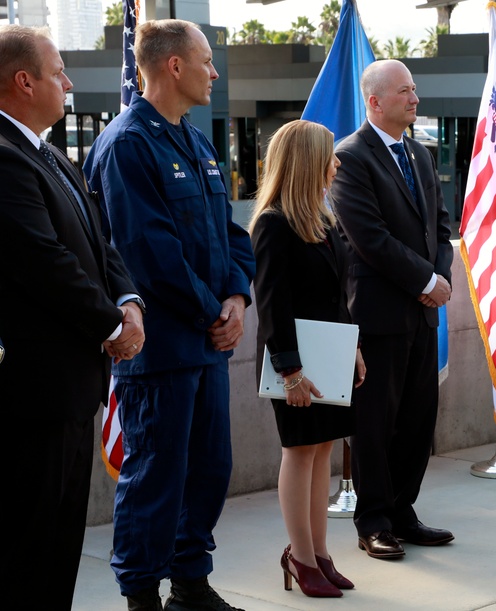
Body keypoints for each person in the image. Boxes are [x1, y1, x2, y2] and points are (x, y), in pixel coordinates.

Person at [84, 19, 255, 610]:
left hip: (207, 344)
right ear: (174, 66)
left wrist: (236, 298)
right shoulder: (128, 143)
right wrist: (215, 311)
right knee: (155, 479)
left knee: (209, 471)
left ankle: (190, 585)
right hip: (159, 352)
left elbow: (232, 232)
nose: (215, 72)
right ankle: (141, 597)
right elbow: (148, 253)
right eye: (207, 61)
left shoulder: (197, 141)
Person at [0, 25, 144, 610]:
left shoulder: (49, 153)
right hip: (31, 395)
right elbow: (43, 261)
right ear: (24, 80)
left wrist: (129, 302)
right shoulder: (5, 159)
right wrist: (112, 327)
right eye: (59, 71)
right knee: (27, 549)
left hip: (72, 389)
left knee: (60, 546)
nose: (69, 83)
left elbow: (99, 243)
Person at [329, 59, 454, 560]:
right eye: (405, 91)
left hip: (423, 312)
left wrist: (438, 278)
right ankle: (374, 520)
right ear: (375, 101)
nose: (415, 99)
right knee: (375, 425)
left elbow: (440, 226)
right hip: (378, 316)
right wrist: (425, 280)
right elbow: (368, 238)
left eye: (415, 90)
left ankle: (404, 511)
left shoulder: (420, 155)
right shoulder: (349, 157)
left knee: (418, 419)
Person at [250, 120, 364, 597]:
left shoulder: (321, 217)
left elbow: (338, 295)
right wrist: (290, 372)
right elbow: (272, 302)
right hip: (295, 361)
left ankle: (319, 554)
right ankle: (300, 558)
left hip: (330, 353)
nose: (337, 163)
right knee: (299, 454)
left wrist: (353, 348)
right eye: (329, 155)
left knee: (322, 455)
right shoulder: (274, 224)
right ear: (306, 161)